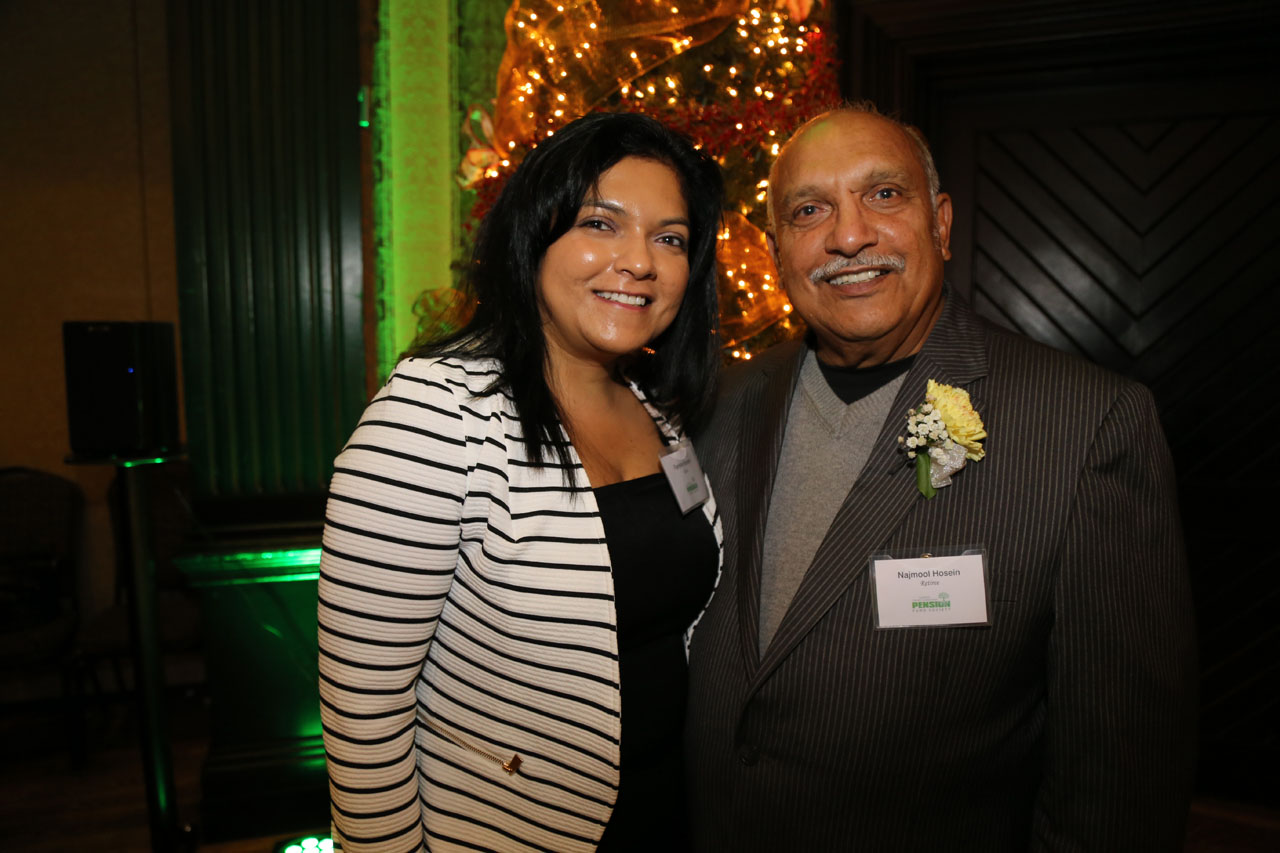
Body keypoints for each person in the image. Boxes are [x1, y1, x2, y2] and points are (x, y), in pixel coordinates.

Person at [684, 102, 1197, 851]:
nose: (849, 234)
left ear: (943, 223)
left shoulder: (1087, 425)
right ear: (776, 251)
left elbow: (1121, 769)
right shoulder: (722, 406)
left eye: (884, 195)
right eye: (809, 209)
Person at [319, 112, 725, 853]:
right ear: (533, 236)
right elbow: (363, 713)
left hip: (667, 811)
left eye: (669, 237)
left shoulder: (655, 410)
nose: (639, 260)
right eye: (602, 223)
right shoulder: (434, 412)